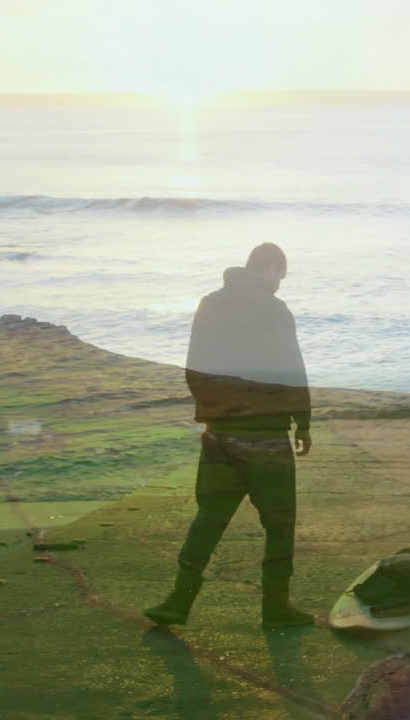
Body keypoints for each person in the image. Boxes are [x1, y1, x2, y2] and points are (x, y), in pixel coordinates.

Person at [145, 243, 314, 629]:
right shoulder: (274, 310)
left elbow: (194, 366)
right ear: (271, 268)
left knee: (209, 518)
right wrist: (302, 421)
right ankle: (275, 609)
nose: (279, 285)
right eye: (280, 276)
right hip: (266, 438)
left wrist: (213, 410)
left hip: (219, 434)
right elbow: (291, 367)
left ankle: (178, 601)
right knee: (279, 523)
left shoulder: (210, 303)